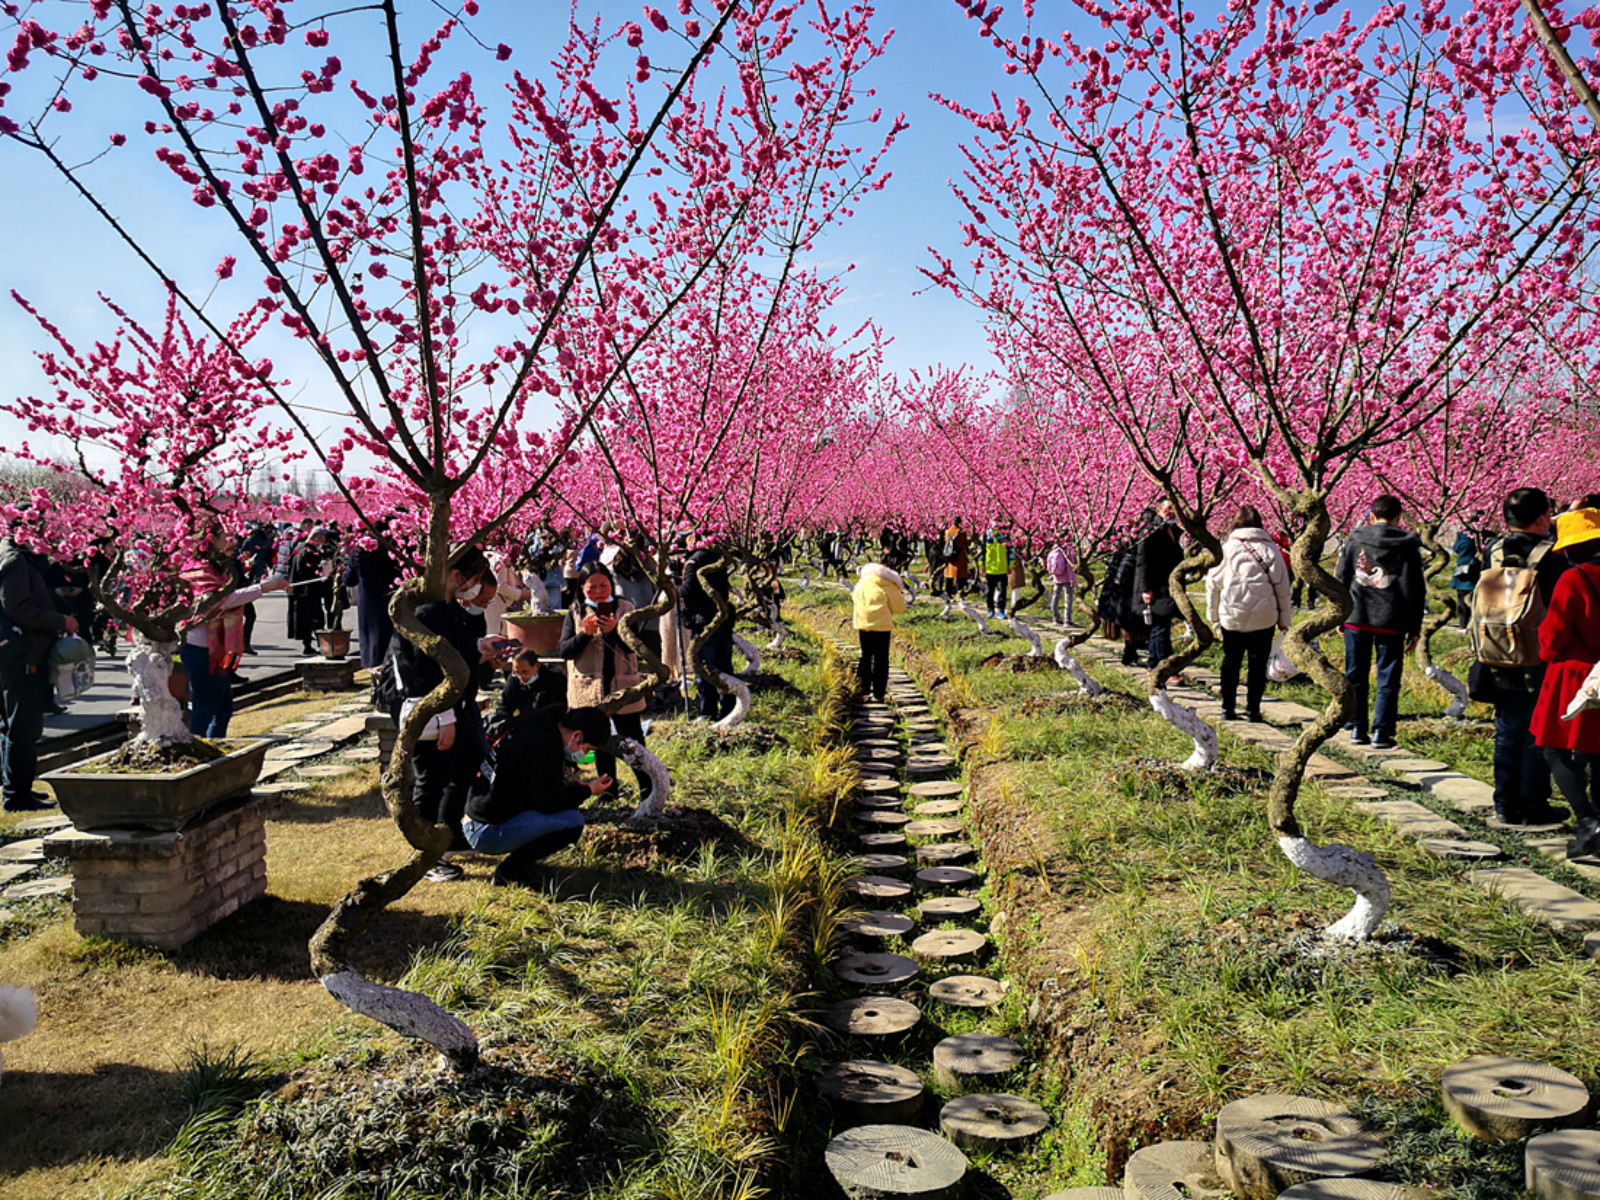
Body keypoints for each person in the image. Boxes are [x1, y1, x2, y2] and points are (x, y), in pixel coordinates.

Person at [394, 546, 509, 883]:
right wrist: (445, 717)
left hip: (451, 707)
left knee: (465, 765)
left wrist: (479, 648)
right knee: (432, 779)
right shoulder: (428, 612)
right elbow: (427, 671)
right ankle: (425, 854)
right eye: (473, 580)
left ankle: (445, 837)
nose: (474, 588)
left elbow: (455, 653)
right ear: (458, 576)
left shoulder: (445, 609)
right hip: (432, 708)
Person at [1476, 487, 1568, 826]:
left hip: (1496, 649)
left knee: (1507, 728)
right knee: (1535, 731)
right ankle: (1532, 804)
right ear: (1543, 516)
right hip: (1537, 654)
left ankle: (1504, 803)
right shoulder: (1552, 554)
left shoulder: (1493, 550)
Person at [462, 706, 614, 887]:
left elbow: (539, 789)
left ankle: (520, 865)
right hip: (486, 830)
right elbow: (549, 803)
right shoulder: (544, 745)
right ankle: (510, 871)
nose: (585, 755)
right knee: (572, 821)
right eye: (588, 748)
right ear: (577, 736)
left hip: (478, 815)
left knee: (564, 810)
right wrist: (587, 790)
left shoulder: (539, 728)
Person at [1532, 508, 1600, 858]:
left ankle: (1588, 820)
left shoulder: (1573, 580)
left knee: (1555, 749)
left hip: (1576, 676)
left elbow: (1552, 639)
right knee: (1598, 752)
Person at [1335, 494, 1426, 750]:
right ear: (1399, 518)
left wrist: (1340, 614)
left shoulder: (1356, 538)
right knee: (1388, 676)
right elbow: (1415, 588)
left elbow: (1342, 576)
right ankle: (1381, 733)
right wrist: (1414, 627)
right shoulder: (1408, 544)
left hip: (1357, 615)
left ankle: (1356, 727)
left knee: (1355, 674)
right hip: (1392, 619)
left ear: (1372, 516)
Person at [180, 527, 290, 737]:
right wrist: (265, 587)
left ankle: (215, 752)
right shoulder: (199, 568)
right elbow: (218, 602)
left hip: (217, 649)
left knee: (223, 710)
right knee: (205, 710)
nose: (232, 540)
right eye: (226, 537)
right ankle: (199, 757)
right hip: (201, 648)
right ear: (211, 540)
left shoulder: (217, 567)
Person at [559, 563, 651, 804]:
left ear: (611, 584)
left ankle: (648, 791)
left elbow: (637, 646)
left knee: (633, 741)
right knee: (600, 744)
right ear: (582, 588)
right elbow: (565, 650)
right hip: (589, 691)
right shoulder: (576, 611)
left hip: (623, 688)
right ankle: (608, 795)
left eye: (603, 585)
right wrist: (584, 635)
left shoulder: (625, 608)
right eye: (592, 588)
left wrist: (614, 631)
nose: (598, 592)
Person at [0, 534, 75, 812]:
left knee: (12, 728)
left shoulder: (12, 556)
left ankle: (18, 789)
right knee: (23, 729)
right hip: (23, 656)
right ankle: (17, 795)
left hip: (14, 655)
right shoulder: (15, 560)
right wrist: (61, 621)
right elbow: (18, 608)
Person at [1205, 506, 1292, 723]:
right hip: (1265, 618)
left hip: (1232, 615)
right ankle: (1253, 709)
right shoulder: (1271, 550)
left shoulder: (1225, 549)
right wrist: (1285, 621)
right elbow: (1283, 589)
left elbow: (1212, 585)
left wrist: (1213, 616)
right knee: (1257, 663)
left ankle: (1228, 708)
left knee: (1231, 661)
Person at [681, 540, 736, 720]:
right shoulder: (719, 558)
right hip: (722, 618)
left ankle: (708, 711)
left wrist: (675, 588)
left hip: (702, 621)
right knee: (724, 665)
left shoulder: (694, 562)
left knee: (703, 666)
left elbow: (688, 589)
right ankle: (729, 707)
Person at [1134, 499, 1184, 667]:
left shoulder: (1174, 530)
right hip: (1156, 585)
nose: (1171, 512)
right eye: (1167, 508)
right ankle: (1164, 666)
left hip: (1170, 585)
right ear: (1158, 511)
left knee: (1161, 626)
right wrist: (1145, 589)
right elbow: (1143, 562)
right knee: (1161, 626)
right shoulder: (1150, 532)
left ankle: (1153, 665)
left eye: (1174, 508)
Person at [343, 528, 399, 669]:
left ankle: (374, 672)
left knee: (371, 639)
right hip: (392, 596)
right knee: (390, 636)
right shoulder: (391, 549)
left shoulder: (357, 552)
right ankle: (391, 669)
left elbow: (349, 579)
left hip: (368, 599)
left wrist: (341, 573)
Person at [853, 560, 907, 702]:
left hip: (862, 623)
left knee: (865, 656)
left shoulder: (863, 581)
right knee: (881, 659)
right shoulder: (889, 584)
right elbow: (899, 608)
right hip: (881, 626)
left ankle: (862, 689)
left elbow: (855, 598)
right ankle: (879, 693)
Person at [288, 527, 334, 655]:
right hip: (308, 590)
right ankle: (317, 646)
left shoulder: (298, 547)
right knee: (315, 619)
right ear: (317, 538)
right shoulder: (309, 552)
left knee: (305, 619)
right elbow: (314, 571)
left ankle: (309, 645)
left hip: (298, 589)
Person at [493, 648, 567, 727]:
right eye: (517, 672)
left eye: (525, 672)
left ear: (537, 666)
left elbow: (558, 709)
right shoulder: (514, 680)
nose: (521, 677)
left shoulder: (554, 679)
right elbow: (505, 705)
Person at [1450, 522, 1481, 631]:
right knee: (1478, 599)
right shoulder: (1487, 534)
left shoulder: (1462, 534)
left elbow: (1455, 549)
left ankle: (1462, 625)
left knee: (1462, 600)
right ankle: (1475, 624)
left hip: (1463, 571)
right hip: (1479, 570)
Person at [981, 526, 1011, 618]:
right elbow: (981, 550)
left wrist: (1010, 565)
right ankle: (990, 610)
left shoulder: (1005, 535)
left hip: (1002, 568)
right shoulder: (986, 534)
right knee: (990, 591)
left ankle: (1001, 611)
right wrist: (981, 566)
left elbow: (1011, 550)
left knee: (1003, 591)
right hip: (990, 568)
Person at [1046, 539, 1077, 626]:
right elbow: (1070, 567)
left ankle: (1056, 619)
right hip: (1066, 578)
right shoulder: (1068, 550)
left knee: (1055, 598)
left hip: (1056, 578)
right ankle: (1067, 620)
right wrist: (1072, 580)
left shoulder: (1053, 550)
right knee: (1068, 599)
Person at [942, 517, 970, 600]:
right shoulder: (962, 532)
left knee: (949, 574)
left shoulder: (947, 532)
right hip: (960, 556)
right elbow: (967, 543)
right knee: (960, 575)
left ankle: (948, 593)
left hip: (950, 556)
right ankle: (959, 593)